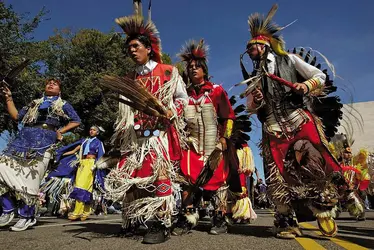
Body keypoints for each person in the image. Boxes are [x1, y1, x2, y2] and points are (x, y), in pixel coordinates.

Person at [241, 4, 347, 239]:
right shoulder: (253, 77)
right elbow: (250, 107)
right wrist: (257, 100)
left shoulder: (289, 60)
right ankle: (286, 220)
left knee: (314, 164)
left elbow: (319, 76)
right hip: (273, 128)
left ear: (264, 44)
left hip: (298, 120)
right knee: (277, 175)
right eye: (247, 50)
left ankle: (323, 209)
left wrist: (305, 85)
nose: (249, 52)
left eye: (252, 47)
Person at [104, 15, 188, 244]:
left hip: (160, 133)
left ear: (148, 49)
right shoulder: (129, 79)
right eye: (128, 47)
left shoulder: (169, 72)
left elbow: (183, 98)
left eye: (135, 46)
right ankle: (132, 219)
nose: (131, 50)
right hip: (136, 136)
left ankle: (161, 223)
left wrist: (173, 111)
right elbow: (124, 112)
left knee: (160, 173)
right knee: (133, 177)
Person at [173, 39, 237, 235]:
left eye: (197, 67)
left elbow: (229, 117)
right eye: (190, 67)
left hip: (213, 145)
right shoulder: (183, 96)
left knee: (217, 181)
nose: (193, 70)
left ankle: (219, 219)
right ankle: (187, 218)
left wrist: (224, 140)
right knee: (186, 180)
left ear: (204, 70)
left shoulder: (216, 91)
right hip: (191, 145)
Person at [0, 78, 80, 231]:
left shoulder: (63, 105)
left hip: (44, 143)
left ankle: (27, 216)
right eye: (48, 83)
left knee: (30, 180)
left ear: (59, 90)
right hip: (22, 141)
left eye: (55, 83)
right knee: (1, 168)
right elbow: (17, 116)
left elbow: (76, 120)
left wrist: (60, 131)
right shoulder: (34, 103)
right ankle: (7, 209)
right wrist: (8, 98)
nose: (51, 84)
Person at [65, 125, 106, 221]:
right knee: (87, 188)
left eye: (94, 130)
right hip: (82, 163)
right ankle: (86, 211)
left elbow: (101, 155)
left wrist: (96, 165)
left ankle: (77, 212)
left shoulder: (98, 142)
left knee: (81, 186)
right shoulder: (84, 141)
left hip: (91, 164)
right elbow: (74, 147)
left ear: (97, 132)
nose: (91, 131)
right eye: (90, 129)